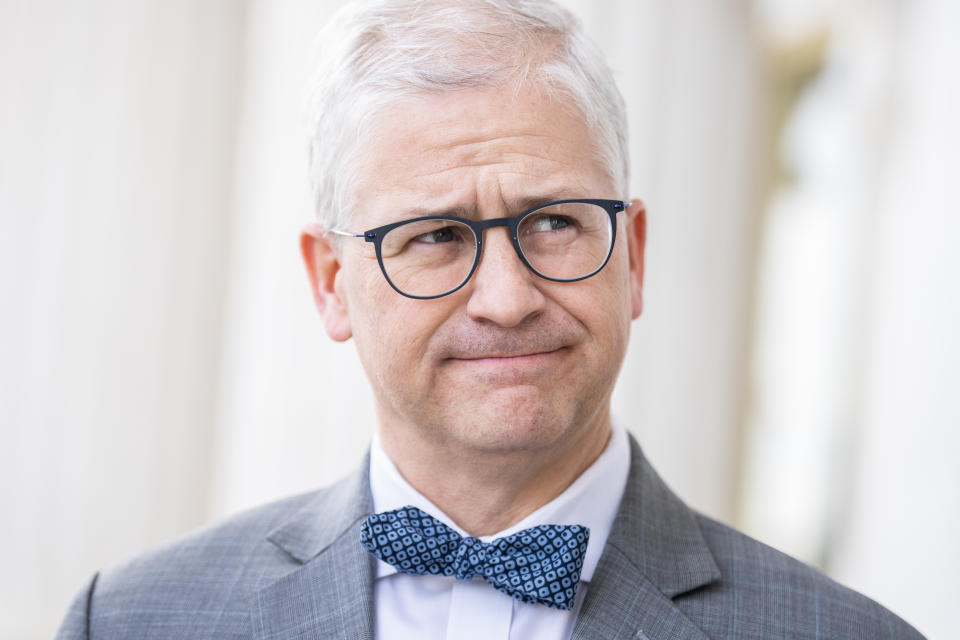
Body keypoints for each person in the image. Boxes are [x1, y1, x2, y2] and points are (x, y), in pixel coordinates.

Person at [56, 1, 924, 638]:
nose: (507, 299)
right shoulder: (133, 621)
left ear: (634, 258)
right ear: (331, 283)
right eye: (436, 236)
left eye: (554, 223)